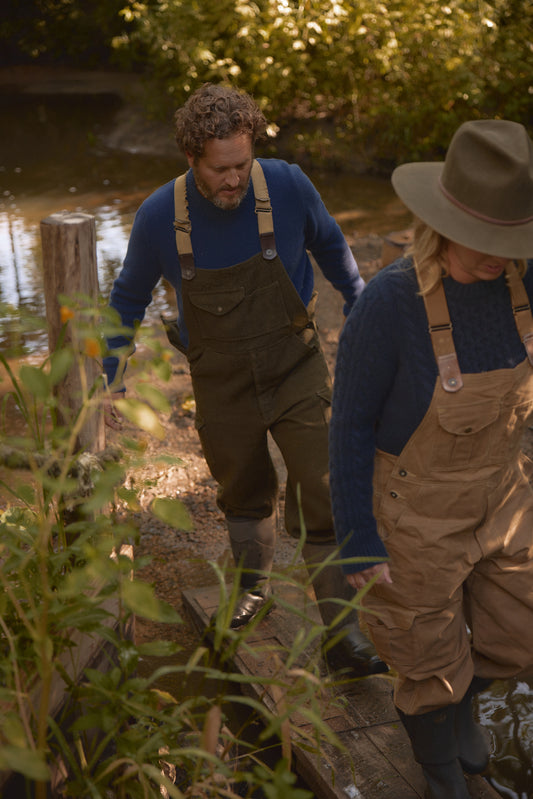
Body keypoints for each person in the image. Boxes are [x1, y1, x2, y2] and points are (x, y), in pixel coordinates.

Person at [103, 82, 387, 677]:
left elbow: (334, 248)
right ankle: (251, 591)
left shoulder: (286, 185)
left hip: (296, 364)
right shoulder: (160, 216)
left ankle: (342, 636)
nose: (233, 179)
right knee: (244, 490)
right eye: (220, 169)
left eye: (241, 163)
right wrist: (112, 377)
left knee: (324, 483)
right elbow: (127, 299)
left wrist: (360, 311)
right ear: (191, 160)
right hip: (221, 379)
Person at [329, 118, 533, 798]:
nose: (499, 258)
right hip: (414, 514)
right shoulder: (388, 305)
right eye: (486, 243)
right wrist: (357, 540)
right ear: (441, 220)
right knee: (423, 653)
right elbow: (349, 429)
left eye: (511, 243)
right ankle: (435, 761)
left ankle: (467, 697)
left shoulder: (522, 284)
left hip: (503, 497)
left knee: (522, 628)